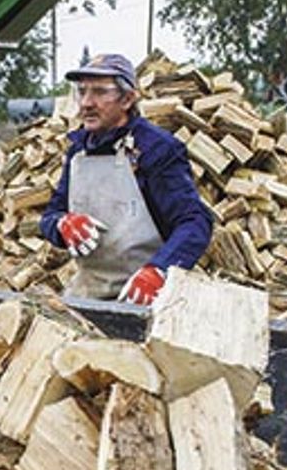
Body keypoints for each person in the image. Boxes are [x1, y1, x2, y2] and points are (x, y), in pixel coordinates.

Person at [40, 53, 212, 305]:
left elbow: (195, 222)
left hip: (145, 297)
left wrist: (159, 272)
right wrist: (62, 225)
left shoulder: (156, 149)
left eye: (100, 92)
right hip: (89, 295)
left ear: (128, 98)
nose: (86, 103)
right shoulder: (78, 151)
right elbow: (50, 215)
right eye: (82, 91)